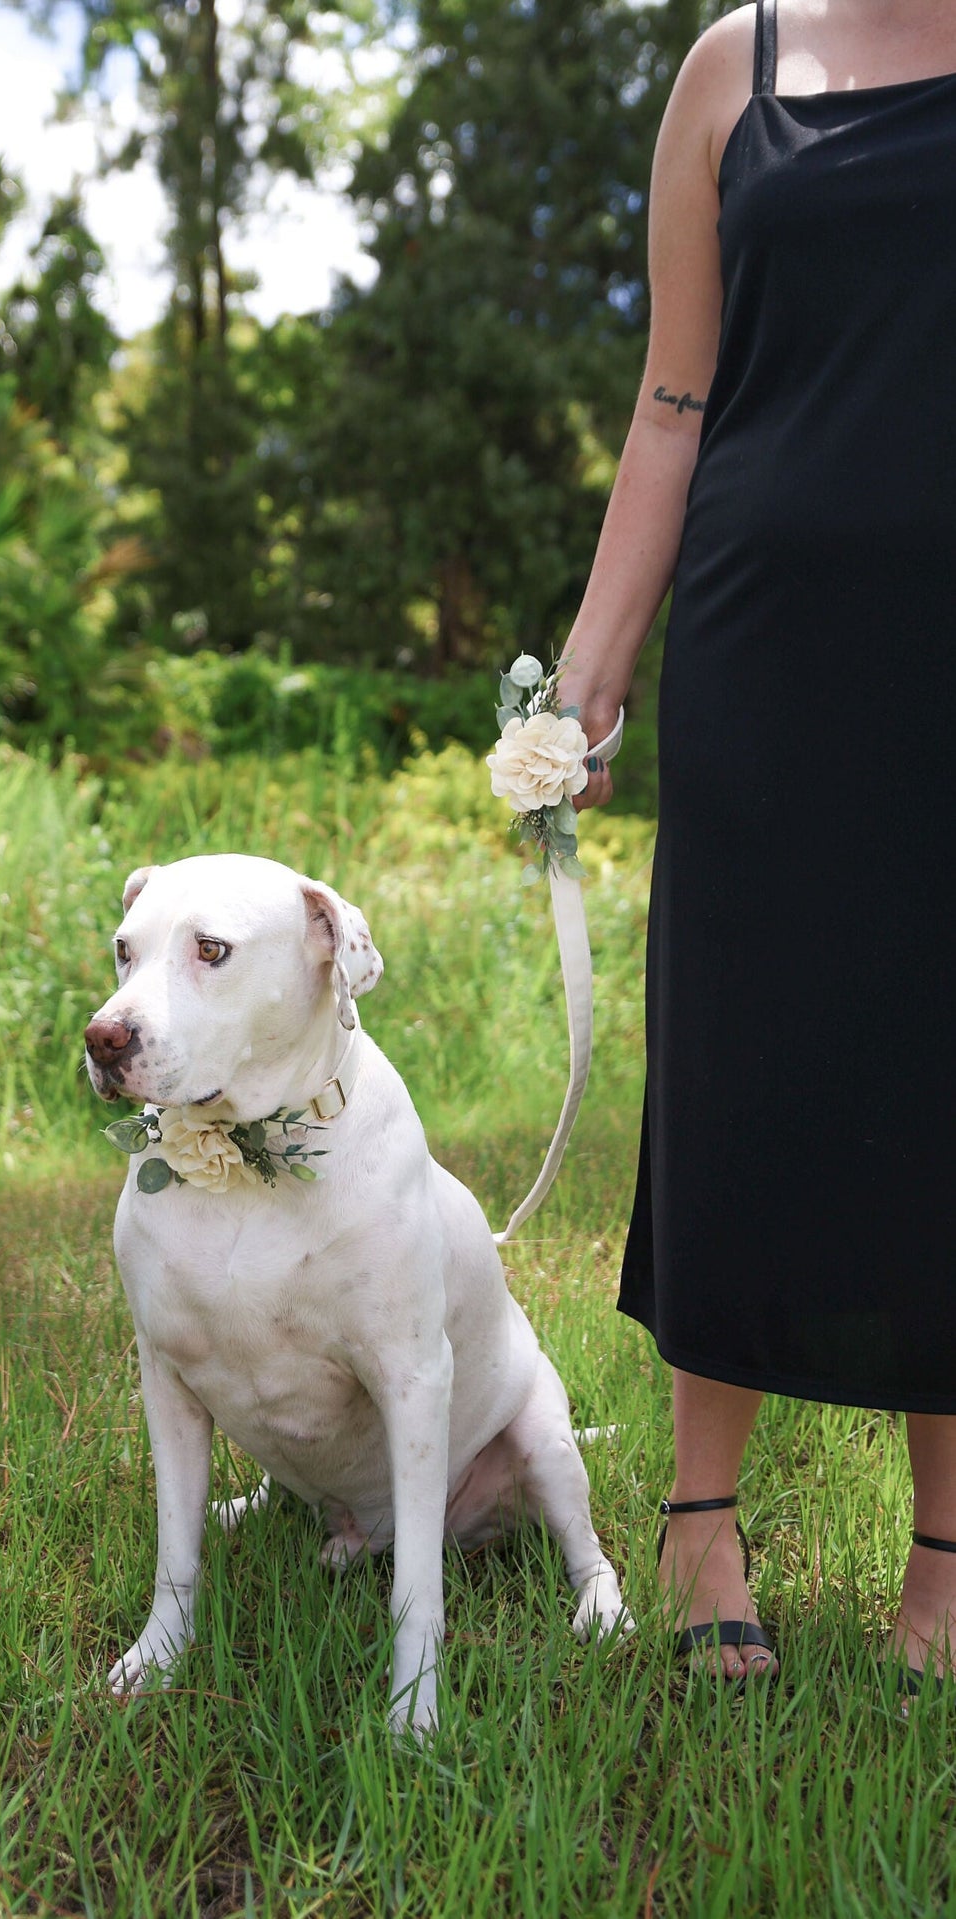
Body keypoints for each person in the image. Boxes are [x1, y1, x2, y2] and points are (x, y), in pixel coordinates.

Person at [559, 0, 956, 1684]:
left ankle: (944, 1561)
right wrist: (590, 663)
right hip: (759, 652)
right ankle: (697, 1523)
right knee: (734, 1065)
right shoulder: (737, 64)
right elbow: (671, 399)